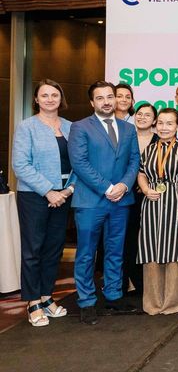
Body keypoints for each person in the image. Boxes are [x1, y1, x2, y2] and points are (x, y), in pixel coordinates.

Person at [68, 81, 140, 325]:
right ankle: (86, 301)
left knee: (116, 250)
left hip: (121, 200)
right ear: (92, 102)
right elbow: (79, 163)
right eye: (100, 98)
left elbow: (134, 160)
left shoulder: (128, 128)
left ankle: (113, 295)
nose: (106, 101)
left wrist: (124, 185)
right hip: (90, 200)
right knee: (87, 253)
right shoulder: (80, 127)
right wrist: (108, 188)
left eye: (110, 96)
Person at [12, 79, 76, 327]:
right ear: (36, 99)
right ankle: (32, 302)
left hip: (64, 195)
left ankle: (47, 297)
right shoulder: (26, 127)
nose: (50, 99)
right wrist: (48, 191)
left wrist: (68, 190)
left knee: (54, 249)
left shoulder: (71, 127)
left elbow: (79, 162)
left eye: (54, 95)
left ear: (61, 99)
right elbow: (20, 165)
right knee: (33, 250)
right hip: (34, 196)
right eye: (45, 95)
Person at [136, 108, 178, 315]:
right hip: (152, 204)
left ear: (177, 126)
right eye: (160, 123)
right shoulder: (149, 150)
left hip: (176, 202)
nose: (164, 127)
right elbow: (141, 174)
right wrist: (145, 189)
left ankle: (172, 303)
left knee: (176, 251)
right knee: (151, 251)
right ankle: (153, 303)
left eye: (169, 123)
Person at [123, 103, 158, 297]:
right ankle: (129, 280)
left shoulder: (160, 140)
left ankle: (149, 283)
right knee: (129, 239)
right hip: (128, 196)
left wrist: (145, 185)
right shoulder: (126, 137)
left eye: (148, 115)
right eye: (139, 114)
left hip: (153, 196)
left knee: (149, 239)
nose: (142, 117)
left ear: (154, 120)